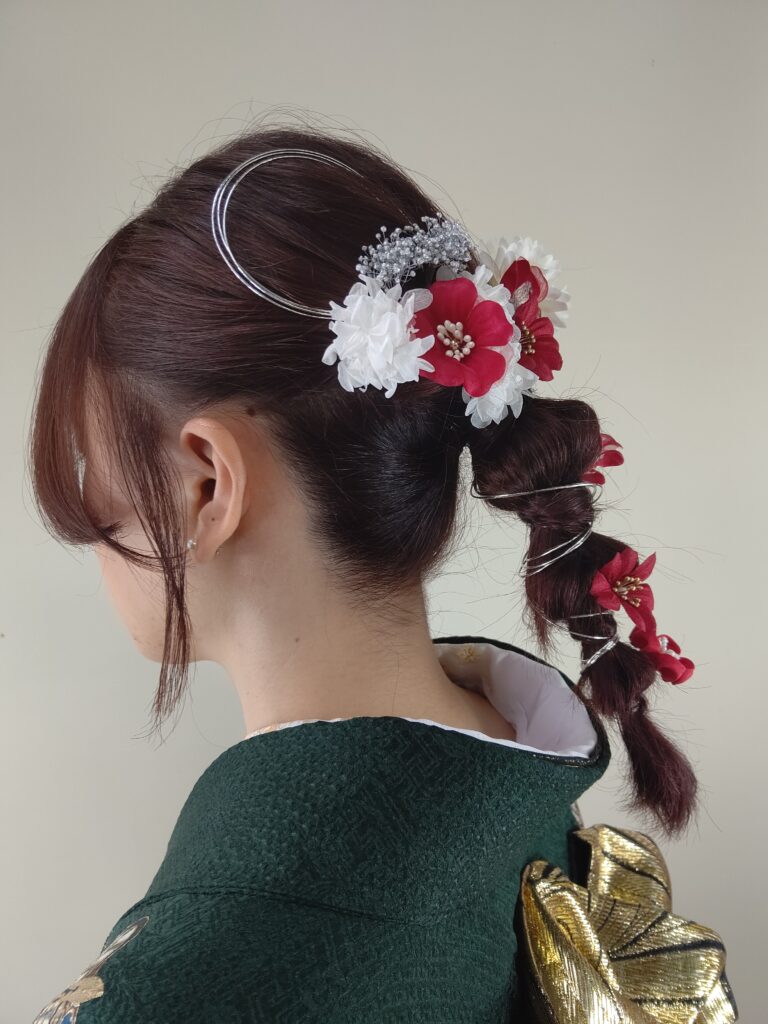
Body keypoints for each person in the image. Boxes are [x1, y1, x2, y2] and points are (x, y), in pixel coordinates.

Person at [27, 125, 737, 1022]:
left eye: (91, 464)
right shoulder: (512, 794)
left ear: (207, 484)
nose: (89, 512)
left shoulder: (182, 991)